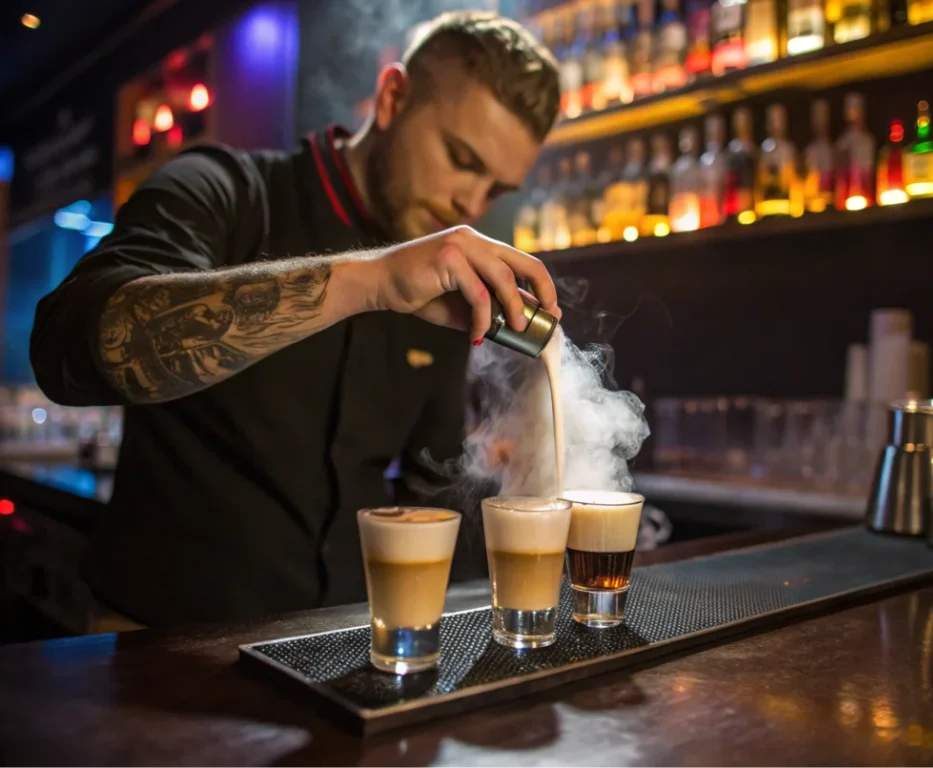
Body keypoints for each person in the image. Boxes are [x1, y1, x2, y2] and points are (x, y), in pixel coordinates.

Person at [29, 12, 563, 628]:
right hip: (160, 646)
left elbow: (433, 483)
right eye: (461, 158)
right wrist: (371, 281)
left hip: (335, 652)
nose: (471, 203)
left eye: (497, 188)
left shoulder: (443, 271)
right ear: (393, 98)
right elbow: (69, 347)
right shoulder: (224, 190)